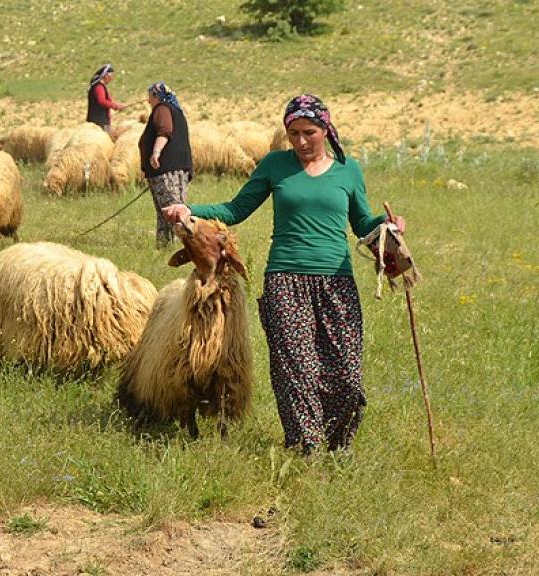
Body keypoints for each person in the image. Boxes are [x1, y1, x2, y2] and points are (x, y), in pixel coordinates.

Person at [163, 94, 405, 454]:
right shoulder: (276, 166)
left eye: (309, 132)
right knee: (296, 372)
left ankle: (338, 448)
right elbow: (236, 208)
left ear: (326, 129)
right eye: (293, 133)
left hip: (336, 281)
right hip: (285, 280)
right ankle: (304, 448)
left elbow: (361, 222)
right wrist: (189, 208)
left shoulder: (347, 169)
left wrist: (386, 225)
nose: (301, 142)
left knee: (347, 377)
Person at [138, 81, 193, 249]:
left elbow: (165, 130)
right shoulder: (176, 110)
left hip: (166, 170)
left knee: (171, 210)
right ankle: (166, 248)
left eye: (150, 97)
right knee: (170, 210)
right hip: (175, 169)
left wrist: (156, 152)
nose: (149, 101)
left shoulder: (162, 109)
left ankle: (183, 246)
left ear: (157, 96)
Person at [86, 64, 124, 133]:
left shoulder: (99, 86)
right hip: (99, 122)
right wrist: (115, 106)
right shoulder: (99, 87)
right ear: (106, 76)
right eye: (111, 76)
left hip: (101, 120)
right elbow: (102, 101)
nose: (112, 79)